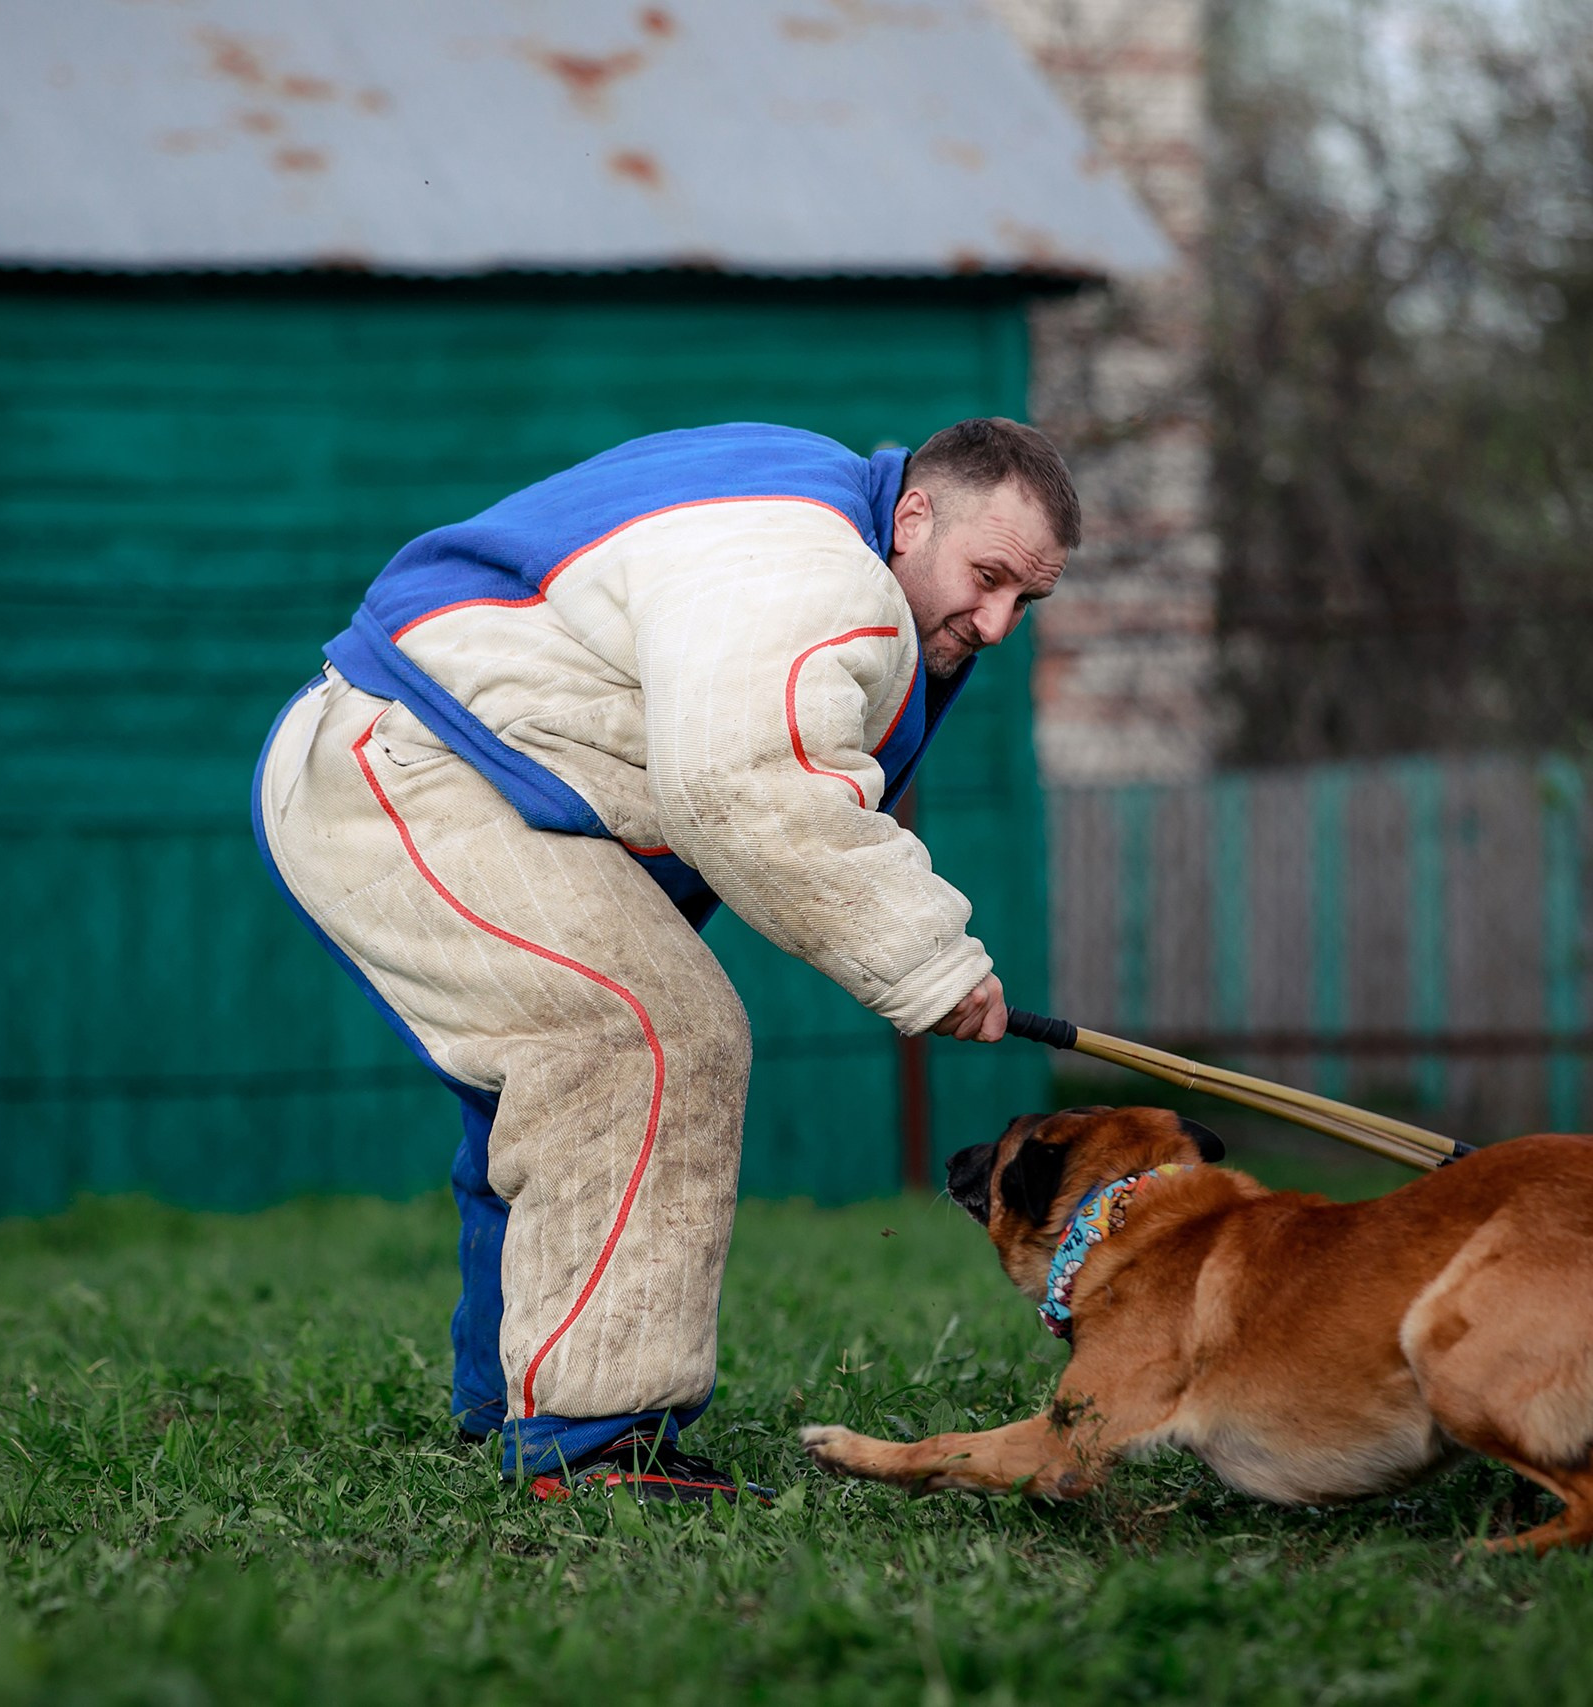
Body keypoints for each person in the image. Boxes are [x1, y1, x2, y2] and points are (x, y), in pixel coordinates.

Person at [251, 418, 1077, 1502]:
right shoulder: (817, 565)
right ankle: (594, 1449)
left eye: (1027, 600)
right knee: (648, 1035)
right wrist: (931, 964)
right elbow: (748, 783)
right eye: (987, 578)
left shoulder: (808, 509)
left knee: (567, 1074)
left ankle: (510, 1401)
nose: (999, 622)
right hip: (413, 761)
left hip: (458, 764)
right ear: (914, 518)